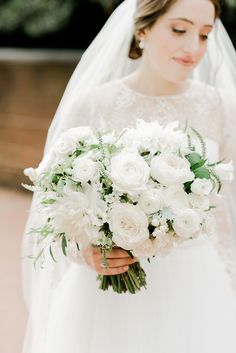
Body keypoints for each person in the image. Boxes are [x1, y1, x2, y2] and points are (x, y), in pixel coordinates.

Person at [21, 0, 236, 352]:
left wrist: (228, 284)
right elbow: (54, 209)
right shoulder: (92, 105)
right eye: (179, 30)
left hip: (196, 287)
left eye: (204, 34)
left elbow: (227, 213)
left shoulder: (222, 108)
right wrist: (85, 251)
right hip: (107, 292)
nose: (193, 48)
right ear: (143, 29)